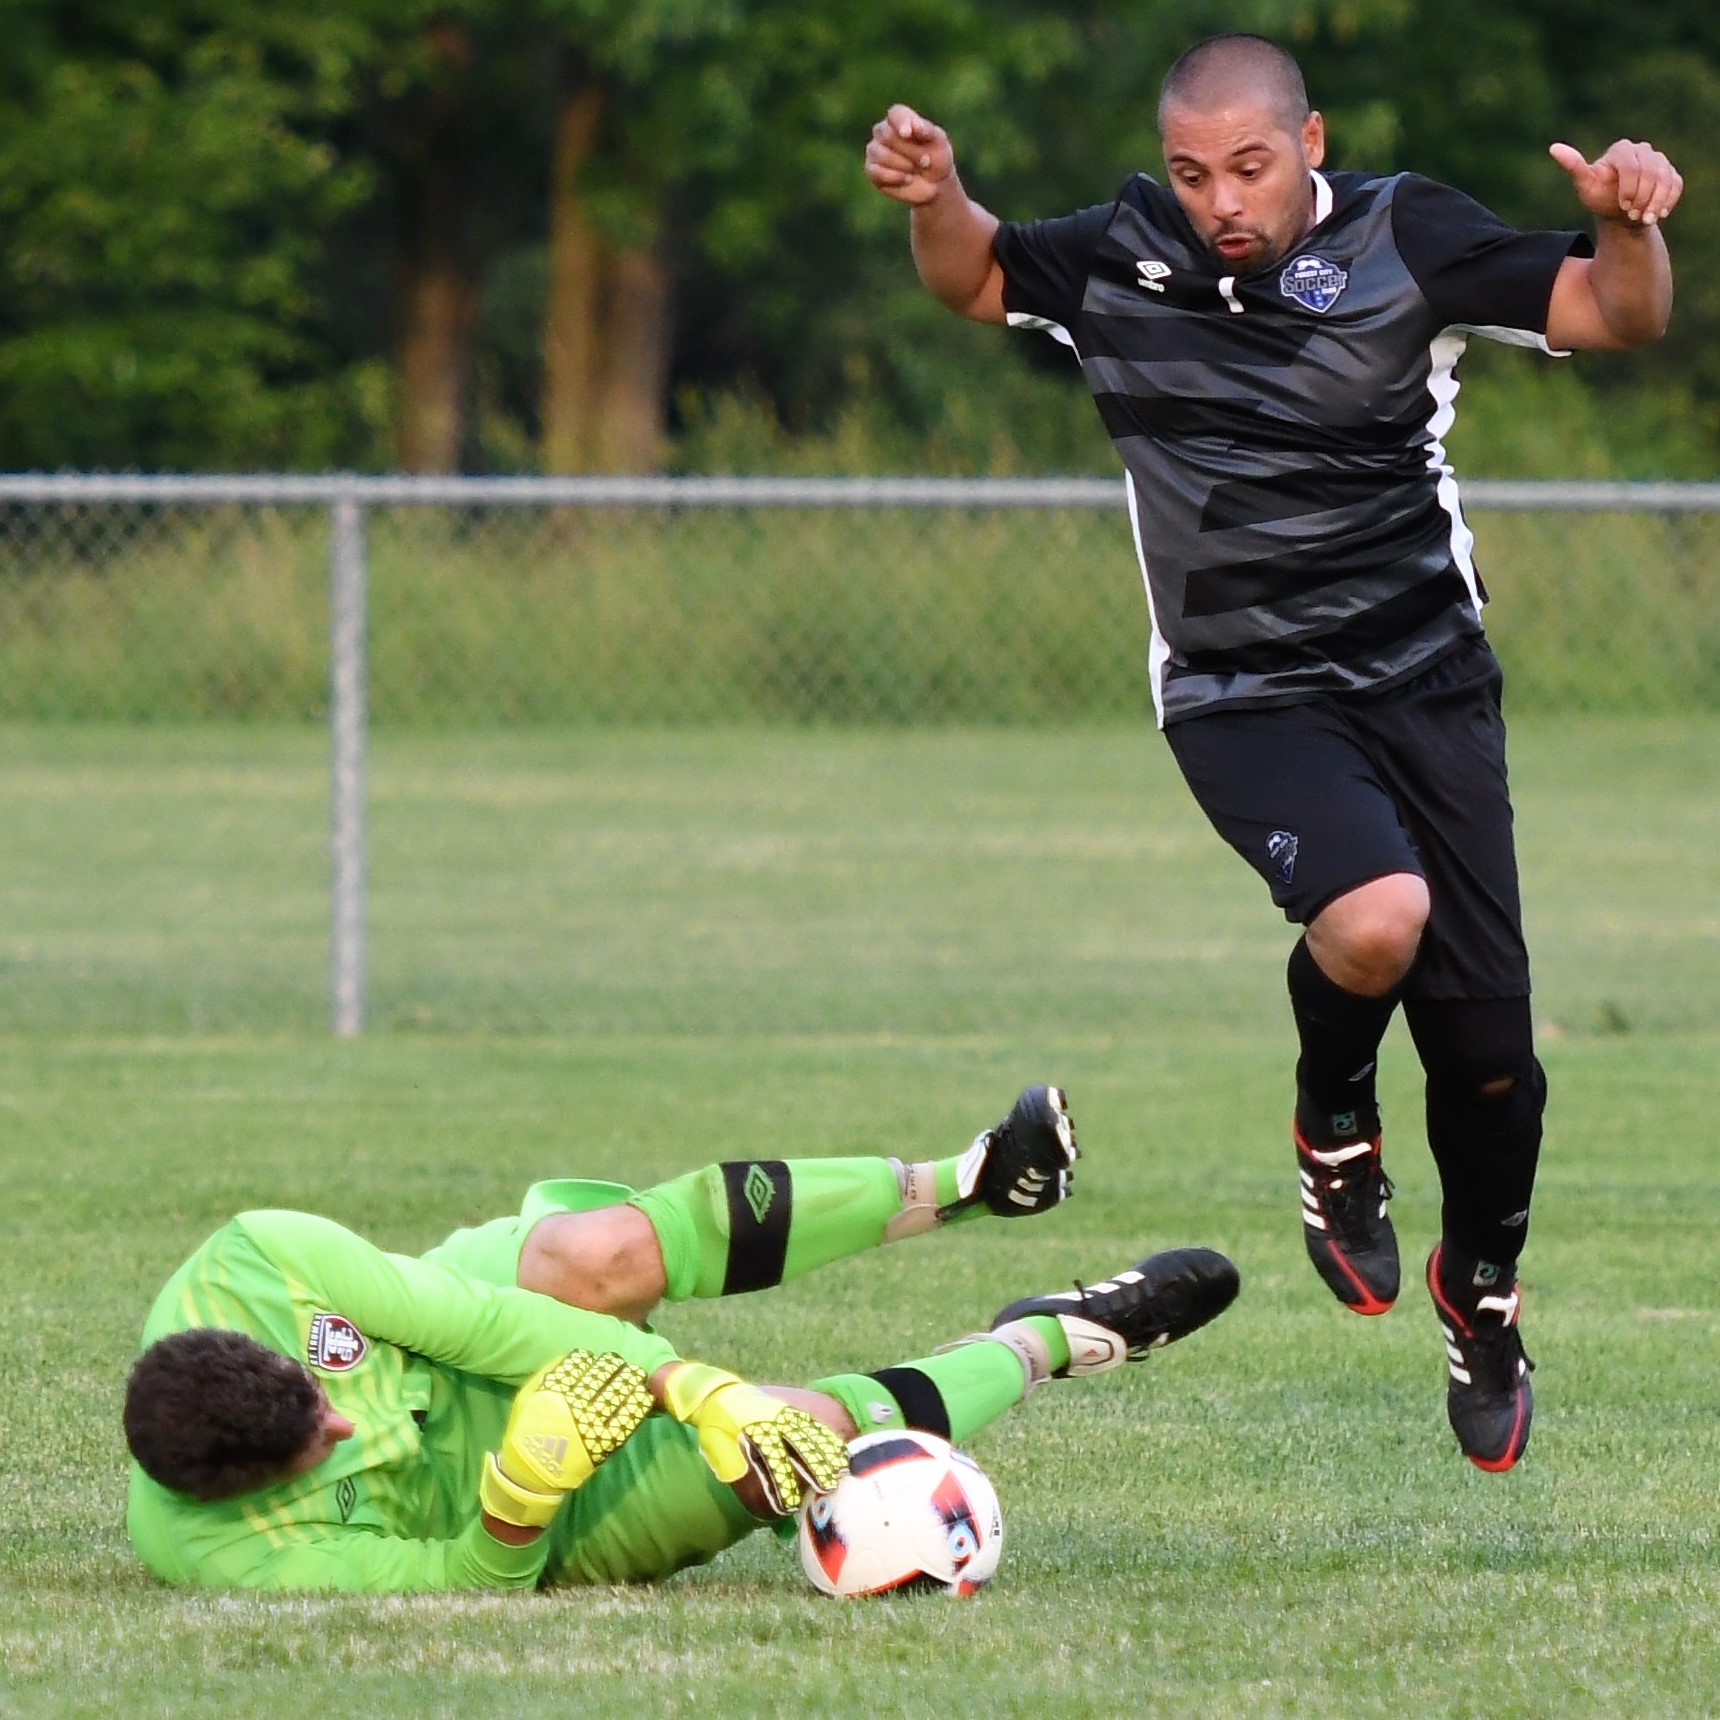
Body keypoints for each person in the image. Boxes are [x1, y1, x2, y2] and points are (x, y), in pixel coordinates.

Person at [865, 35, 1682, 1472]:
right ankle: (1335, 1121)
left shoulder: (1404, 235)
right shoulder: (1123, 253)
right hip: (1241, 691)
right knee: (1375, 920)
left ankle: (1483, 1296)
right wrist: (937, 196)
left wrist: (1627, 224)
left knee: (1491, 1057)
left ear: (1310, 141)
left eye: (1248, 167)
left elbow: (1620, 314)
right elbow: (976, 274)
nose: (1220, 201)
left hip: (1427, 683)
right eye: (1192, 174)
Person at [124, 1085, 1239, 1590]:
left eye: (317, 1395)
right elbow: (459, 1579)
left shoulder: (253, 1260)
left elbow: (486, 1321)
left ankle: (966, 1180)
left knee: (593, 1254)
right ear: (230, 1490)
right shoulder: (224, 1556)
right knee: (790, 1442)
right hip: (506, 1503)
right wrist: (520, 1495)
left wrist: (689, 1385)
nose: (339, 1423)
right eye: (314, 1447)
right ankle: (1054, 1340)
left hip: (457, 1343)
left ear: (268, 1350)